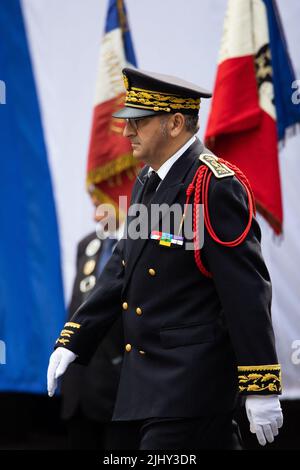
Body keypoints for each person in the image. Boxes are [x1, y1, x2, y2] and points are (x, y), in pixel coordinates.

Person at [48, 67, 283, 450]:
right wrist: (76, 336)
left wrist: (261, 383)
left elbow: (247, 292)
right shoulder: (146, 180)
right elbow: (122, 266)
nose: (126, 132)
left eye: (138, 123)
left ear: (174, 123)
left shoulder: (214, 185)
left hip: (191, 387)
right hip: (141, 385)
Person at [61, 196, 139, 449]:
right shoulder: (88, 244)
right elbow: (79, 307)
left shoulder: (145, 246)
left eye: (102, 204)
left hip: (121, 389)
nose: (97, 215)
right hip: (80, 390)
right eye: (95, 207)